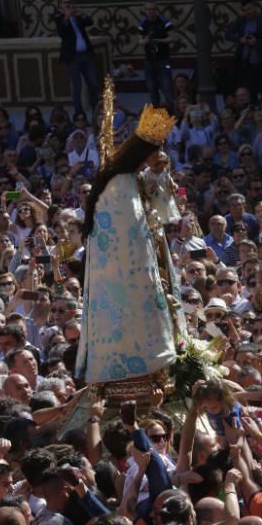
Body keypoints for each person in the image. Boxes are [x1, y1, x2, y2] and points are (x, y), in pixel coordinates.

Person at [76, 104, 178, 384]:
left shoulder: (129, 176)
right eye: (155, 149)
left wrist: (158, 174)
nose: (160, 155)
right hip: (126, 272)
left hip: (137, 267)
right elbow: (133, 230)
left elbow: (163, 213)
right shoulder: (120, 183)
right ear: (142, 151)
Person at [54, 0, 98, 116]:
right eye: (65, 2)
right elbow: (61, 32)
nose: (68, 4)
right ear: (61, 5)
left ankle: (96, 110)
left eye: (69, 2)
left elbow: (90, 22)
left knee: (93, 83)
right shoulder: (59, 18)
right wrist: (67, 17)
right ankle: (79, 113)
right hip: (72, 57)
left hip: (85, 55)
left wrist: (81, 13)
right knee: (77, 86)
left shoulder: (77, 17)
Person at [138, 2, 175, 111]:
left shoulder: (164, 22)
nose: (151, 11)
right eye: (149, 9)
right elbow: (140, 40)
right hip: (149, 60)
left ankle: (172, 112)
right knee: (152, 88)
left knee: (167, 87)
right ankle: (156, 113)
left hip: (163, 59)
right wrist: (145, 41)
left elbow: (172, 38)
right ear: (145, 10)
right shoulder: (143, 23)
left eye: (153, 9)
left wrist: (158, 41)